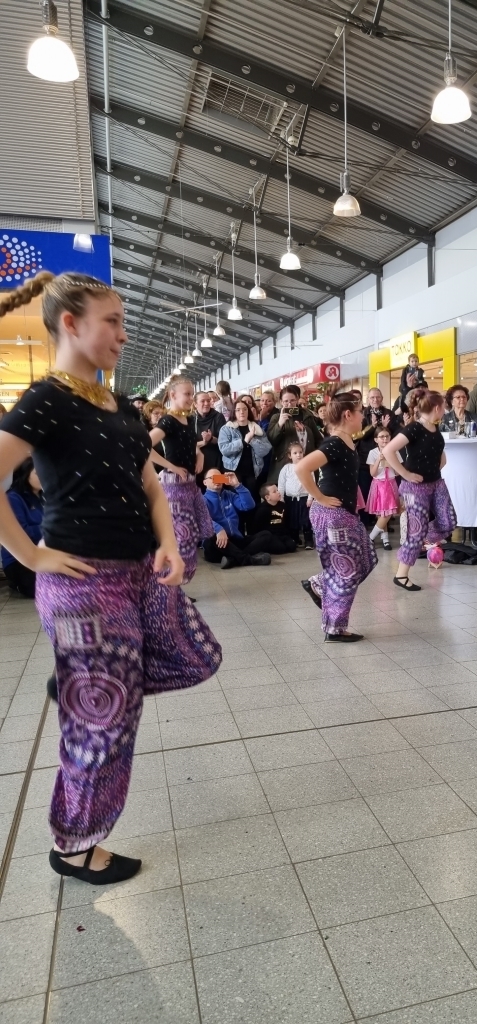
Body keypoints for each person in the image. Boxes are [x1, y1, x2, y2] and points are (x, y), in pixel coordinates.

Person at [0, 270, 221, 884]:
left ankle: (82, 684)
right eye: (113, 322)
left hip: (136, 573)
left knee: (192, 657)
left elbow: (149, 484)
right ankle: (74, 844)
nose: (123, 335)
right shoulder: (47, 398)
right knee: (105, 725)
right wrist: (29, 555)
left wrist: (168, 541)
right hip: (82, 585)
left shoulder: (119, 405)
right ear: (71, 324)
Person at [295, 392, 377, 641]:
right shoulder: (334, 443)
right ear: (348, 414)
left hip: (343, 513)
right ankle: (335, 629)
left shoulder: (348, 440)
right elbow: (302, 468)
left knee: (367, 558)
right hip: (332, 515)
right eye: (360, 411)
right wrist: (319, 497)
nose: (363, 416)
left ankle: (320, 583)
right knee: (347, 571)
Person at [382, 389, 457, 592]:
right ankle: (401, 574)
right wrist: (405, 474)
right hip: (414, 487)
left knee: (449, 521)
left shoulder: (435, 427)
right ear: (437, 407)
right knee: (416, 532)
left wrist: (437, 466)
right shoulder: (414, 428)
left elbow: (440, 455)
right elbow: (388, 450)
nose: (445, 409)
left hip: (436, 482)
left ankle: (421, 538)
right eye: (444, 406)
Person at [149, 377, 214, 584]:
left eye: (192, 394)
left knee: (202, 529)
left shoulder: (189, 419)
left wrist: (199, 453)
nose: (191, 398)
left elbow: (190, 443)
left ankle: (178, 583)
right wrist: (170, 466)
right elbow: (144, 445)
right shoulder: (168, 421)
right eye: (187, 394)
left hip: (190, 485)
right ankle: (172, 584)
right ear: (173, 395)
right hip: (174, 486)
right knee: (182, 537)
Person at [201, 470, 271, 568]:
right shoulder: (202, 500)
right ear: (205, 482)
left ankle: (233, 559)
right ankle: (248, 559)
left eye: (219, 477)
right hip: (216, 545)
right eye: (212, 478)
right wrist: (219, 530)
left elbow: (249, 505)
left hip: (235, 541)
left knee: (266, 535)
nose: (216, 480)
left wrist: (237, 485)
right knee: (210, 536)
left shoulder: (229, 495)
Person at [1, 458, 43, 598]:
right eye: (38, 473)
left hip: (42, 553)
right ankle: (16, 583)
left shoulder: (43, 498)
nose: (44, 476)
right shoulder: (13, 498)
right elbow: (22, 532)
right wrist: (51, 530)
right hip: (18, 559)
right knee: (40, 589)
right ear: (25, 474)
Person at [218, 400, 271, 507]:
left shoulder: (256, 428)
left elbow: (265, 450)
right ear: (234, 412)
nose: (241, 412)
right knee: (235, 503)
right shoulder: (226, 428)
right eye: (238, 410)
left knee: (252, 502)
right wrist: (244, 441)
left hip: (253, 472)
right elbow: (224, 450)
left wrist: (252, 440)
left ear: (248, 411)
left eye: (244, 409)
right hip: (232, 471)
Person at [267, 388, 324, 482]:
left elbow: (318, 439)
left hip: (307, 462)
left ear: (297, 399)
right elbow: (272, 440)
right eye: (286, 401)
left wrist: (304, 431)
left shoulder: (307, 415)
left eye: (292, 400)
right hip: (285, 464)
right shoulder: (276, 417)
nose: (289, 404)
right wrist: (280, 424)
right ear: (281, 402)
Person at [357, 388, 392, 514]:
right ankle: (365, 519)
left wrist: (385, 428)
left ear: (382, 398)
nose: (375, 400)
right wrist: (372, 426)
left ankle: (382, 519)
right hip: (365, 457)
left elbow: (393, 434)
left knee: (384, 491)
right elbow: (359, 435)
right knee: (365, 489)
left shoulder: (388, 413)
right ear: (368, 399)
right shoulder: (361, 414)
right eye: (372, 397)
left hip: (384, 457)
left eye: (378, 397)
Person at [367, 426, 402, 550]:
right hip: (379, 485)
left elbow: (398, 472)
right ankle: (384, 538)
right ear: (376, 439)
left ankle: (370, 537)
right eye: (381, 437)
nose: (385, 439)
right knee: (382, 513)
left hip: (391, 484)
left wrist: (391, 463)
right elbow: (373, 473)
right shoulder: (373, 452)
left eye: (387, 436)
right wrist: (378, 460)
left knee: (387, 513)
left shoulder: (395, 451)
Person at [278, 442, 315, 549]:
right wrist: (281, 498)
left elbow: (312, 483)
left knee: (306, 519)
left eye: (300, 452)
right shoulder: (286, 468)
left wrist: (310, 498)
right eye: (295, 453)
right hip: (290, 499)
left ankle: (308, 540)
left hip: (304, 499)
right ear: (289, 455)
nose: (298, 455)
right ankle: (295, 539)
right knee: (292, 519)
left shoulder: (307, 467)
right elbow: (281, 485)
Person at [250, 484, 297, 553]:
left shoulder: (283, 506)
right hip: (271, 536)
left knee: (292, 546)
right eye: (274, 492)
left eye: (277, 490)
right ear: (267, 497)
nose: (278, 492)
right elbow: (257, 527)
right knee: (280, 548)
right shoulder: (262, 509)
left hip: (282, 534)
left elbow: (287, 521)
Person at [192, 391, 226, 486]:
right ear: (195, 404)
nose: (206, 403)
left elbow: (224, 442)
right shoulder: (190, 419)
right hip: (197, 463)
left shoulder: (219, 417)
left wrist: (211, 439)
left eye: (208, 400)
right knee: (199, 490)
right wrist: (203, 442)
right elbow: (187, 444)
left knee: (218, 487)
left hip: (217, 462)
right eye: (202, 401)